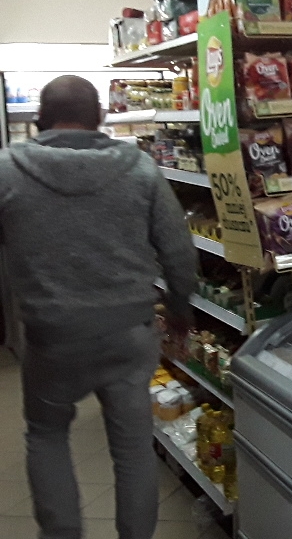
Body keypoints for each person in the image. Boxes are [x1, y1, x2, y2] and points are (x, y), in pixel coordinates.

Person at [0, 76, 197, 539]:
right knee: (133, 451)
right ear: (102, 118)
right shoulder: (141, 169)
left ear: (39, 120)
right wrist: (180, 311)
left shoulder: (7, 170)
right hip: (128, 334)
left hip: (51, 338)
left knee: (47, 435)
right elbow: (178, 251)